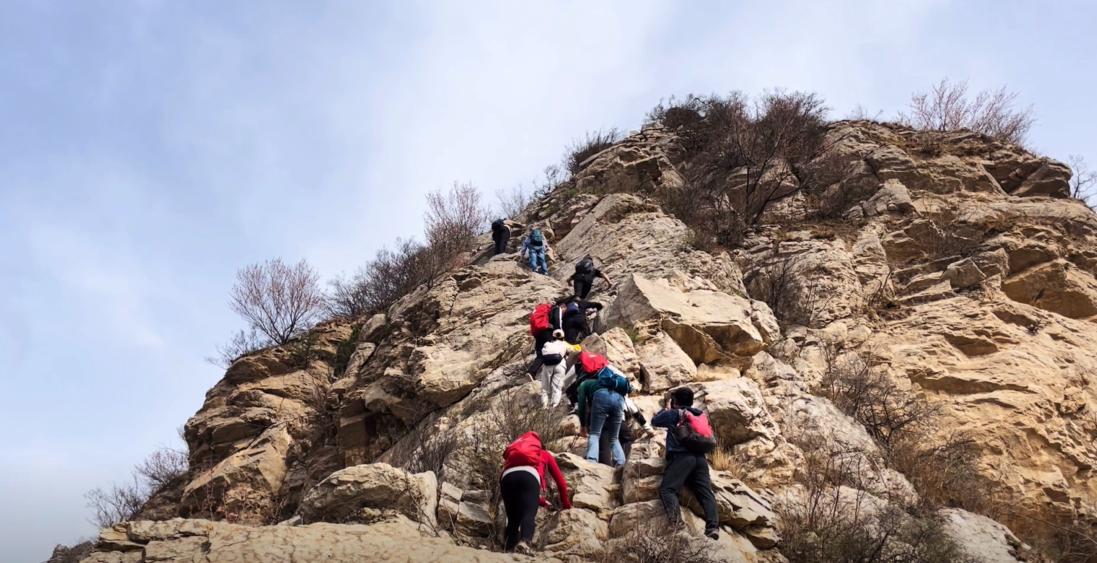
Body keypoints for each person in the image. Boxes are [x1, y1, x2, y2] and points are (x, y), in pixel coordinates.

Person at [651, 387, 720, 540]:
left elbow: (654, 421)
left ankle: (677, 525)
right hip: (701, 459)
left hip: (682, 458)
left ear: (675, 401)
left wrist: (666, 408)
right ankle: (713, 527)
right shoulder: (699, 414)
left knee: (668, 489)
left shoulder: (676, 413)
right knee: (705, 492)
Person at [501, 431, 572, 553]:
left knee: (513, 518)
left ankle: (508, 549)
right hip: (529, 476)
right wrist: (566, 504)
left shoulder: (515, 453)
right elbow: (560, 482)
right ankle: (524, 542)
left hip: (506, 477)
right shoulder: (544, 454)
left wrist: (543, 502)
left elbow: (524, 495)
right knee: (528, 513)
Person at [582, 366, 631, 467]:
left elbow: (584, 404)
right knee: (614, 438)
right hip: (619, 400)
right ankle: (621, 463)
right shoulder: (618, 388)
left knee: (595, 433)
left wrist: (584, 423)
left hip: (601, 397)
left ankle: (592, 460)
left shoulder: (593, 383)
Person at [539, 329, 580, 407]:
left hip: (547, 366)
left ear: (553, 337)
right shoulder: (564, 344)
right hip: (560, 365)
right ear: (563, 337)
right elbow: (575, 350)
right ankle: (554, 405)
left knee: (545, 387)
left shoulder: (547, 344)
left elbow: (543, 353)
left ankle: (544, 405)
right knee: (557, 387)